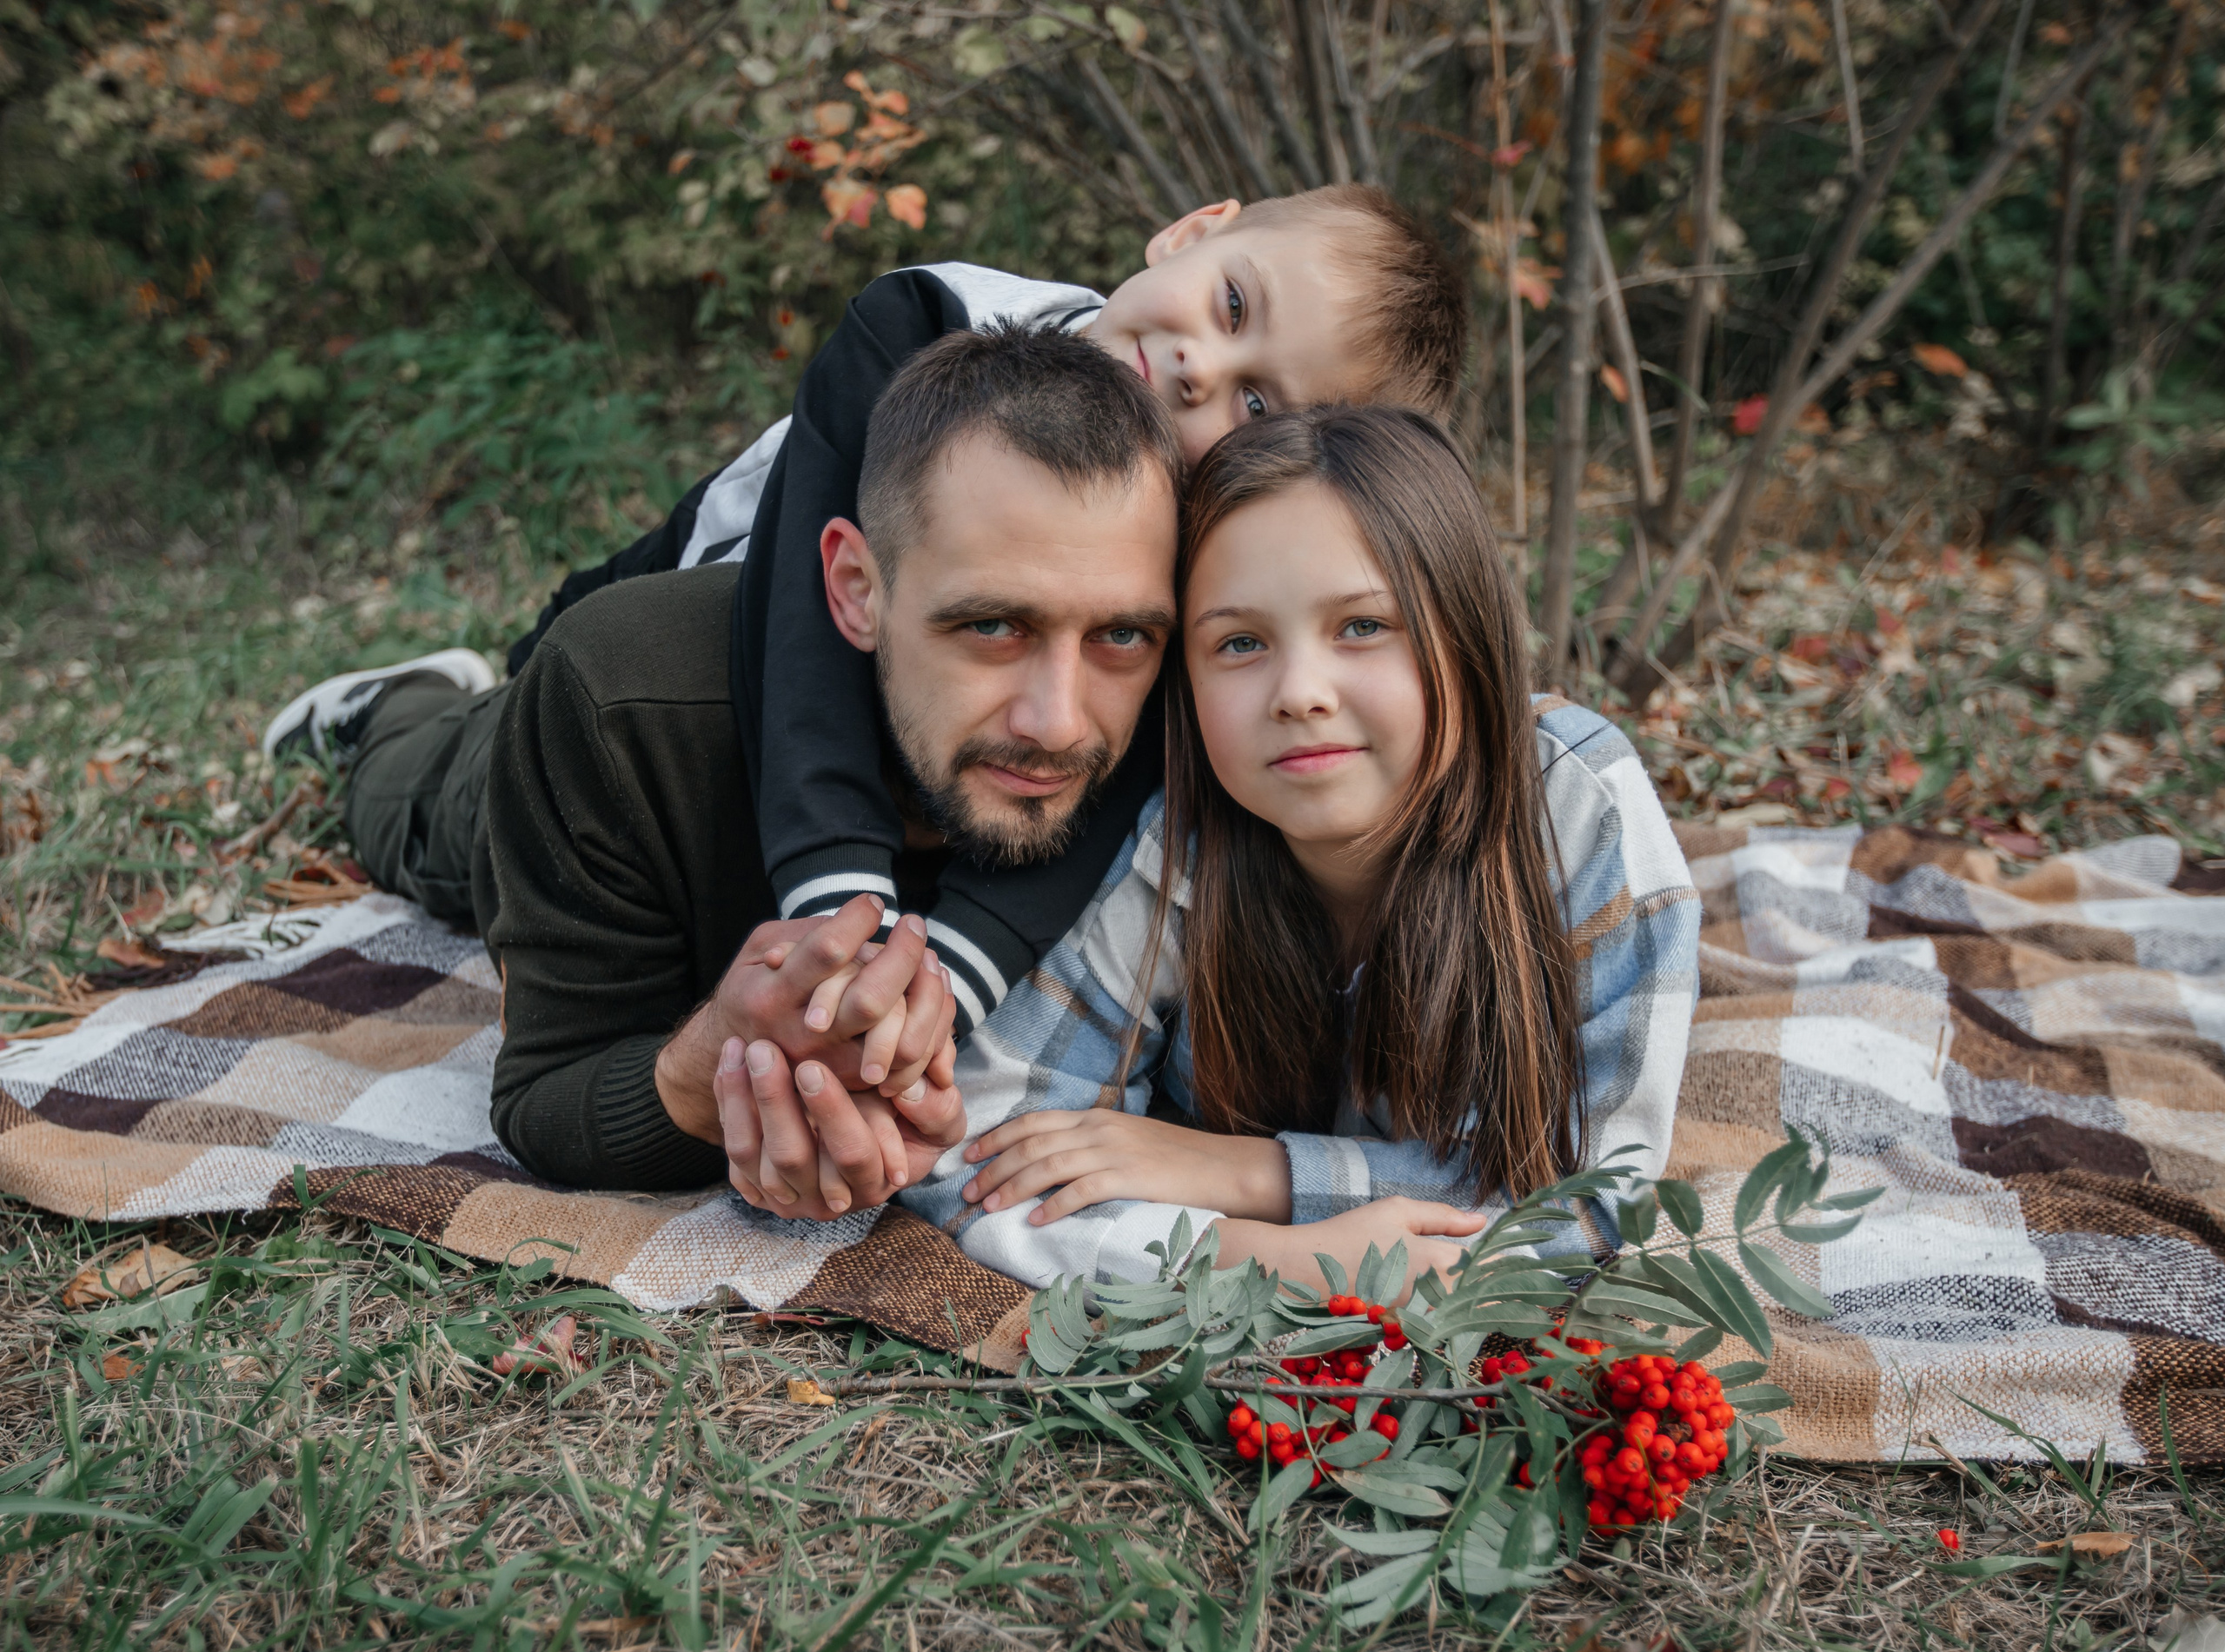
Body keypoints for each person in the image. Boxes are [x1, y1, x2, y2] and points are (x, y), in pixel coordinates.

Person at [269, 186, 1470, 1062]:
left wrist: (950, 970)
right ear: (1197, 228)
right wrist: (842, 911)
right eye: (1231, 301)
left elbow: (1132, 758)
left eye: (1260, 396)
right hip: (696, 645)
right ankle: (401, 707)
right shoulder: (925, 322)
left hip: (919, 735)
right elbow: (799, 656)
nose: (1205, 368)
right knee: (447, 821)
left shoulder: (1201, 519)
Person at [752, 406, 1700, 1288]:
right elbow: (977, 1147)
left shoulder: (1577, 806)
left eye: (1362, 627)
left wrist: (1254, 1176)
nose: (1301, 691)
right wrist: (1262, 1259)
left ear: (1466, 636)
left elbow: (1590, 1202)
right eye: (1239, 644)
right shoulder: (1179, 839)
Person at [263, 324, 1189, 1204]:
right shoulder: (623, 700)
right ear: (855, 590)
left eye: (1120, 634)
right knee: (405, 808)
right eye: (991, 625)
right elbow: (547, 1091)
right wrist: (708, 1064)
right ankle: (398, 697)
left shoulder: (1212, 719)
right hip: (502, 765)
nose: (1058, 723)